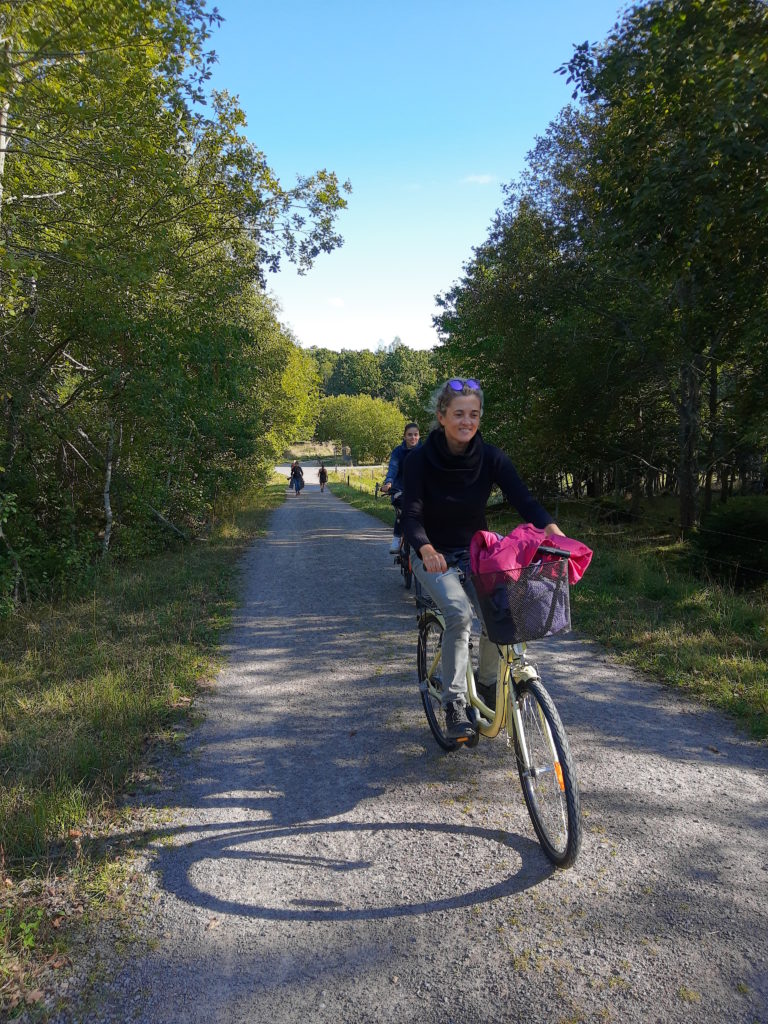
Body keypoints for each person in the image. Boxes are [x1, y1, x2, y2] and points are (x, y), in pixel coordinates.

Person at [402, 378, 564, 741]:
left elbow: (524, 500)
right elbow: (410, 516)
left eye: (473, 414)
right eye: (458, 413)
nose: (467, 421)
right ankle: (454, 702)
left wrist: (553, 530)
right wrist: (426, 549)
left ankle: (488, 685)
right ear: (442, 416)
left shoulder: (491, 458)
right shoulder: (418, 461)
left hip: (477, 552)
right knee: (460, 613)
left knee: (501, 612)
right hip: (433, 553)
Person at [380, 422, 421, 554]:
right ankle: (397, 538)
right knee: (402, 512)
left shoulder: (425, 451)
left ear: (419, 436)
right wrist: (388, 483)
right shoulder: (398, 451)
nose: (413, 437)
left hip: (421, 490)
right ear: (404, 436)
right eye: (409, 435)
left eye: (415, 435)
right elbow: (393, 468)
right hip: (400, 489)